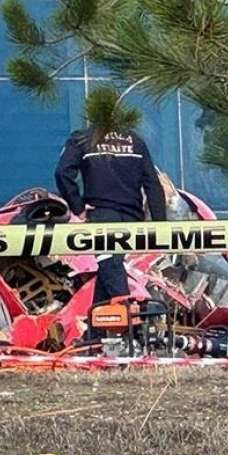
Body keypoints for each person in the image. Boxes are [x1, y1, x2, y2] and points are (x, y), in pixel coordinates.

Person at [54, 100, 167, 316]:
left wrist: (78, 208)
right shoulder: (135, 141)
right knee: (109, 266)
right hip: (132, 218)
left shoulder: (83, 138)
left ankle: (127, 318)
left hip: (102, 216)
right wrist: (160, 225)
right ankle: (95, 330)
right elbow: (152, 184)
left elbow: (62, 173)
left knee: (110, 266)